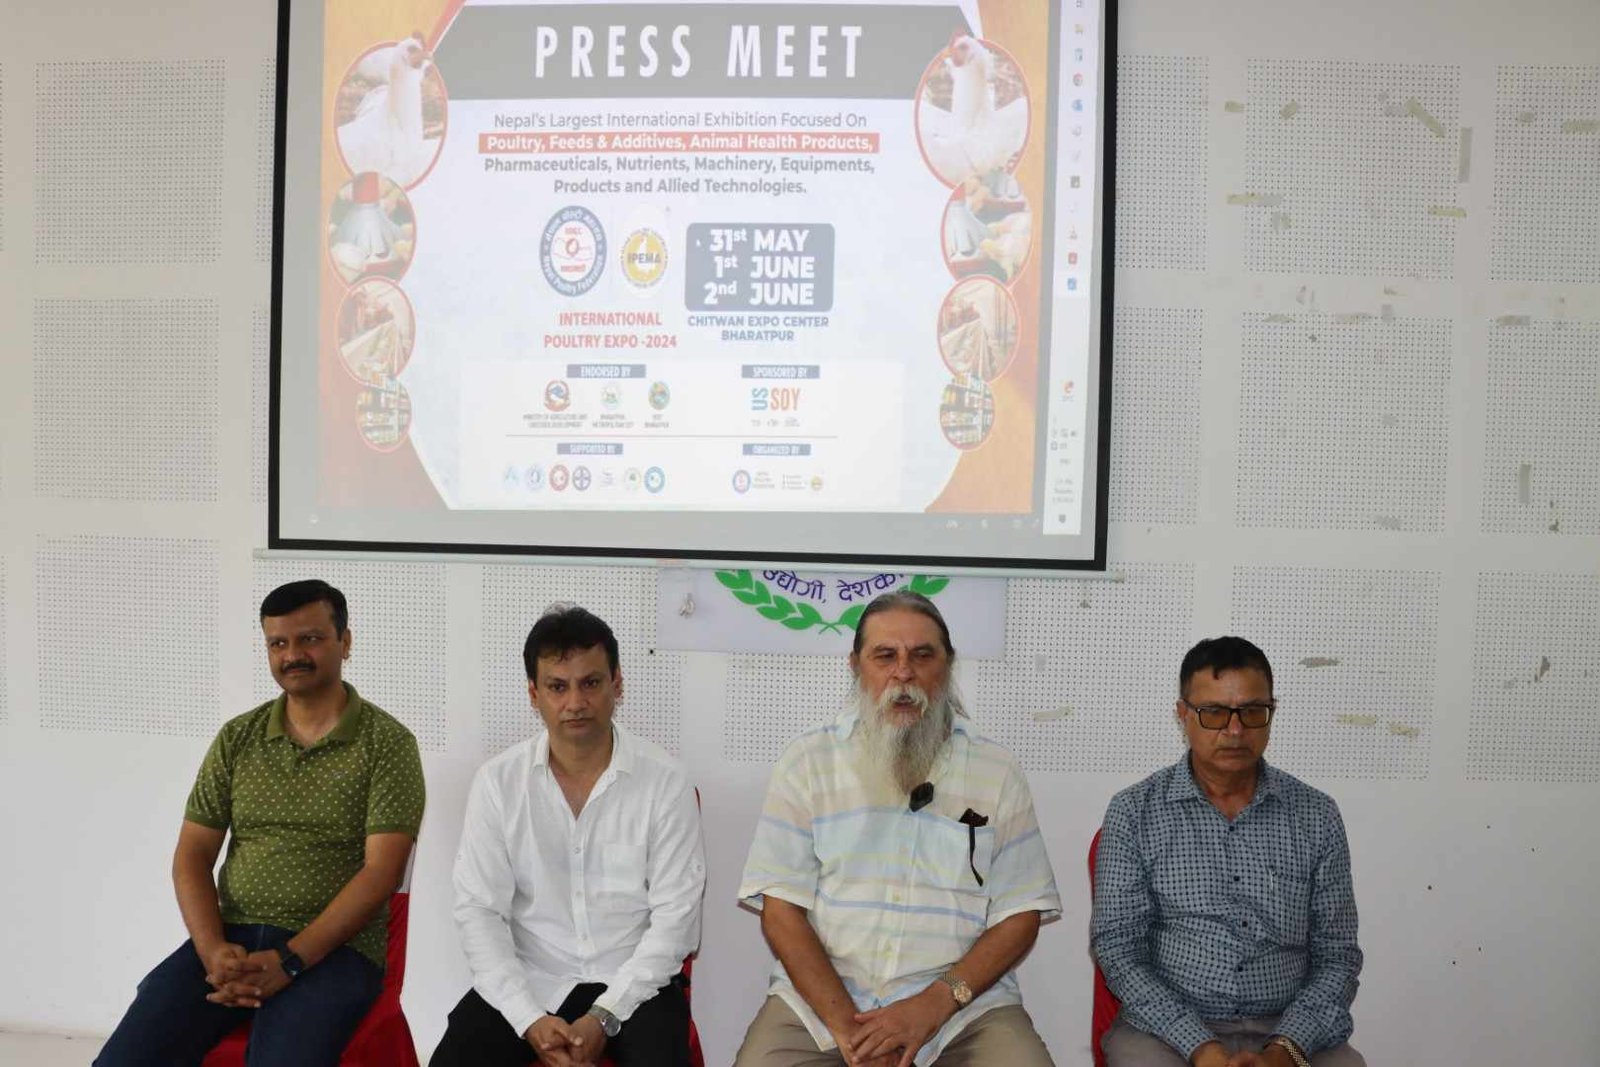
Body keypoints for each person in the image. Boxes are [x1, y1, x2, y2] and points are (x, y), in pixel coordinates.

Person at [95, 579, 426, 1067]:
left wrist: (290, 961)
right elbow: (192, 856)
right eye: (278, 643)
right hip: (231, 940)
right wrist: (213, 952)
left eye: (310, 639)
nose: (292, 655)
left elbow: (382, 873)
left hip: (337, 951)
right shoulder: (238, 737)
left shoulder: (387, 743)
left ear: (345, 642)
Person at [735, 590, 1060, 1067]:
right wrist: (852, 1031)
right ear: (856, 666)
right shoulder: (809, 762)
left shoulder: (996, 770)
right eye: (885, 656)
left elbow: (1020, 914)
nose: (903, 673)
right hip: (823, 1005)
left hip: (962, 1009)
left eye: (922, 656)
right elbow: (781, 911)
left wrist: (933, 1005)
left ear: (947, 666)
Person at [431, 605, 706, 1067]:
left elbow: (677, 921)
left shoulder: (664, 782)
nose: (575, 702)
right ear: (534, 694)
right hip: (530, 978)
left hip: (635, 985)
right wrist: (527, 1018)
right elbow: (478, 911)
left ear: (617, 684)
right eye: (558, 687)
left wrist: (605, 1015)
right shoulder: (498, 783)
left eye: (590, 683)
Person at [1091, 637, 1364, 1067]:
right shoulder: (1135, 812)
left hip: (1289, 1027)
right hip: (1167, 1032)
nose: (1235, 731)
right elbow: (1118, 948)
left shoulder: (1316, 815)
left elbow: (1338, 955)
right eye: (1214, 713)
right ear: (1183, 715)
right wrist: (1201, 1047)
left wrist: (1285, 1050)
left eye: (1252, 712)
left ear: (1272, 712)